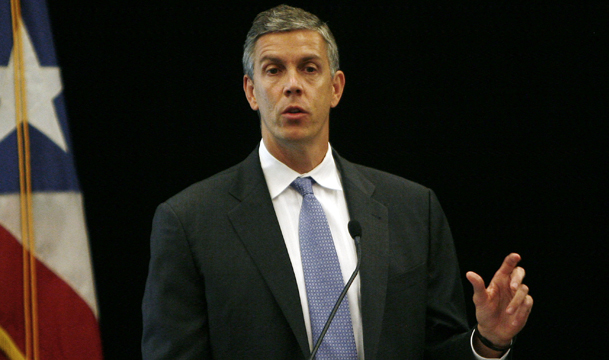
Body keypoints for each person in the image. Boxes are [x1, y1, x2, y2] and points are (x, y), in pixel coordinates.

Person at [142, 5, 532, 360]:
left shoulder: (413, 209)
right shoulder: (190, 221)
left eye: (309, 68)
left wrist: (487, 342)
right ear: (251, 92)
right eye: (274, 69)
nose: (292, 85)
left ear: (336, 88)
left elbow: (437, 348)